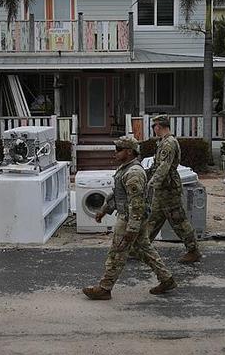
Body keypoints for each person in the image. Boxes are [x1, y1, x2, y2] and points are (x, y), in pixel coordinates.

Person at [82, 135, 176, 300]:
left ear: (130, 152)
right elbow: (118, 194)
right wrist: (104, 210)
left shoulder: (133, 172)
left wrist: (132, 228)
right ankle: (166, 278)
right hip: (132, 217)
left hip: (130, 218)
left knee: (117, 252)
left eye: (119, 150)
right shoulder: (125, 168)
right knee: (145, 250)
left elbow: (136, 203)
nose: (115, 153)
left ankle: (105, 288)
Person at [145, 115, 201, 263]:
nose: (153, 129)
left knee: (178, 221)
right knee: (153, 219)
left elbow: (164, 167)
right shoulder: (163, 142)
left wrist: (152, 183)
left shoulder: (169, 143)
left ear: (159, 126)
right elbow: (157, 165)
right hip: (163, 188)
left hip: (169, 189)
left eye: (153, 126)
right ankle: (141, 248)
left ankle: (193, 250)